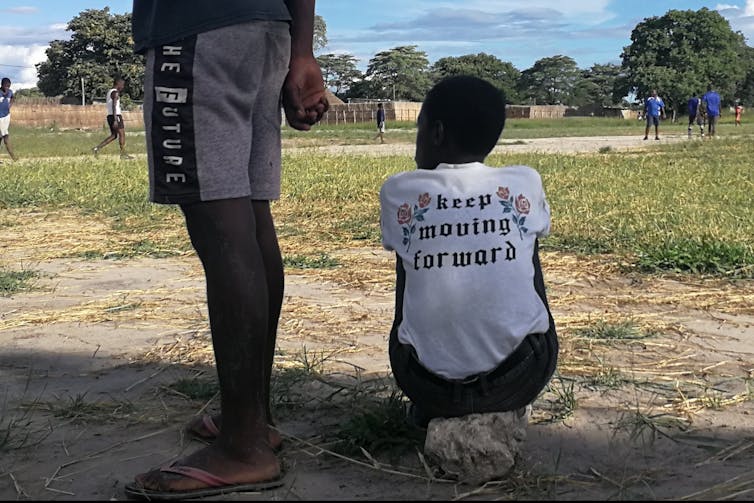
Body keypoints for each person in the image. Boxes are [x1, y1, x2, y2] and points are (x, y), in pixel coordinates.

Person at [124, 0, 328, 499]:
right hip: (266, 32)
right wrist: (302, 51)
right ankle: (254, 421)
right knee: (252, 217)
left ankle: (243, 447)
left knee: (222, 226)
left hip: (197, 29)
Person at [379, 76, 558, 429]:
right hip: (520, 378)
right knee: (522, 238)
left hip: (422, 383)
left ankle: (438, 385)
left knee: (411, 250)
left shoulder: (398, 190)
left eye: (420, 128)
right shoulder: (525, 180)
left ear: (437, 133)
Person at [92, 77, 133, 159]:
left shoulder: (109, 92)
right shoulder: (115, 93)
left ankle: (96, 148)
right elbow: (114, 106)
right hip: (116, 116)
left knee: (114, 135)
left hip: (110, 115)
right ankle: (123, 154)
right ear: (118, 84)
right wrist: (115, 120)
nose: (123, 87)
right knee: (122, 134)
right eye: (122, 85)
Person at [0, 77, 18, 161]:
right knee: (5, 136)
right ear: (2, 85)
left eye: (9, 86)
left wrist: (9, 106)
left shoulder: (10, 92)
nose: (7, 88)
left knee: (1, 136)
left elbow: (12, 98)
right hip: (0, 117)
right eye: (6, 86)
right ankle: (13, 157)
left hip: (7, 116)